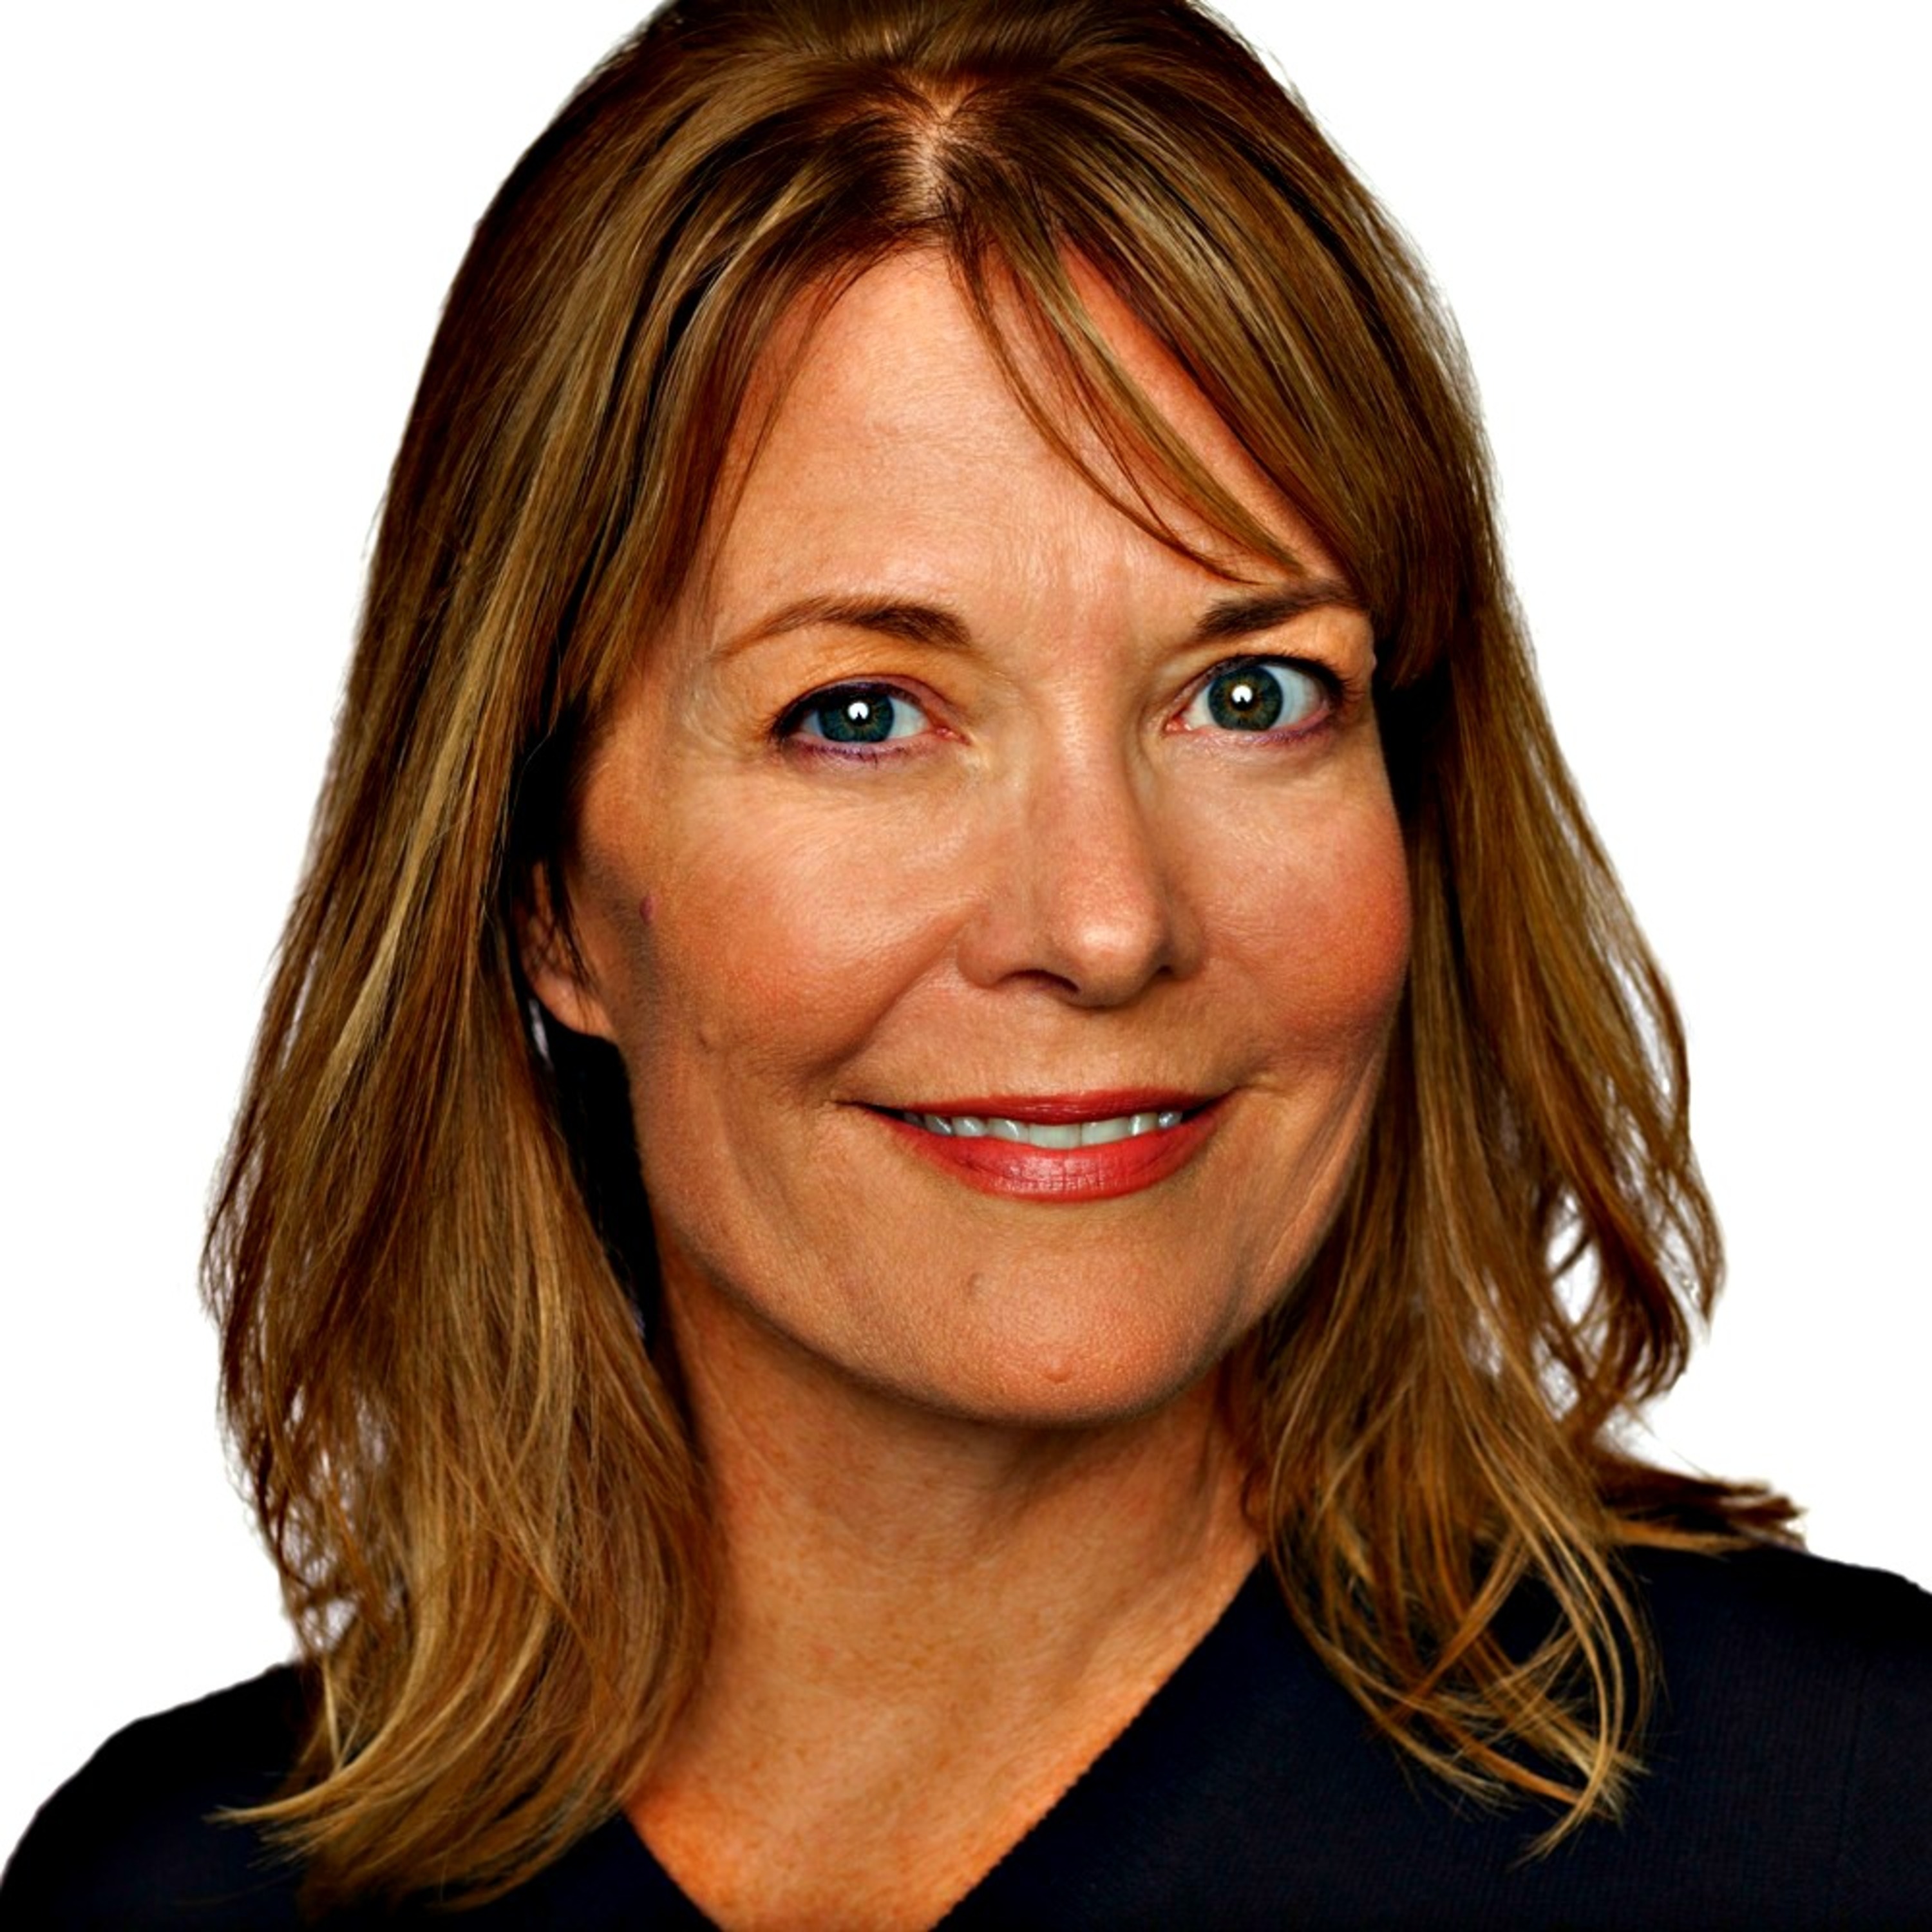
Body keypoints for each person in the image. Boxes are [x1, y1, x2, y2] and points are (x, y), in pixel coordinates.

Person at [5, 0, 1928, 1924]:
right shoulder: (164, 1901)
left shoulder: (1851, 1821)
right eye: (862, 715)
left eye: (1252, 694)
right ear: (541, 892)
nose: (1105, 923)